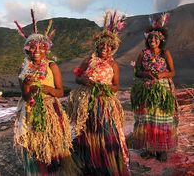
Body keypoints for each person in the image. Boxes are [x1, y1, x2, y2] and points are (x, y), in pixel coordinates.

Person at [14, 10, 76, 176]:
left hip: (51, 110)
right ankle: (39, 170)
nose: (37, 51)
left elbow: (60, 91)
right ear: (27, 50)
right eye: (33, 48)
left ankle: (56, 169)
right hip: (32, 111)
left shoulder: (51, 66)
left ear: (46, 49)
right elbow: (26, 97)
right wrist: (27, 86)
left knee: (54, 142)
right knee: (35, 143)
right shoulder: (23, 70)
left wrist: (48, 90)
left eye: (41, 47)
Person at [68, 11, 130, 176]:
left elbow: (116, 86)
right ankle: (90, 163)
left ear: (112, 48)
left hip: (104, 105)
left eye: (108, 46)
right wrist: (84, 81)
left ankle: (107, 164)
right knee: (88, 133)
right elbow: (77, 77)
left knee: (106, 134)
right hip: (87, 103)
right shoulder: (89, 60)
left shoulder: (114, 65)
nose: (105, 48)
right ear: (98, 46)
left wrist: (105, 89)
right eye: (102, 45)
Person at [131, 13, 178, 162]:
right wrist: (145, 74)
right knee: (148, 119)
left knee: (162, 118)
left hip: (162, 89)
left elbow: (172, 72)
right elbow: (137, 72)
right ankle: (150, 148)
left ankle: (162, 149)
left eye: (155, 38)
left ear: (161, 40)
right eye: (150, 38)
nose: (152, 40)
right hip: (146, 90)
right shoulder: (142, 54)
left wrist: (163, 75)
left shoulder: (165, 53)